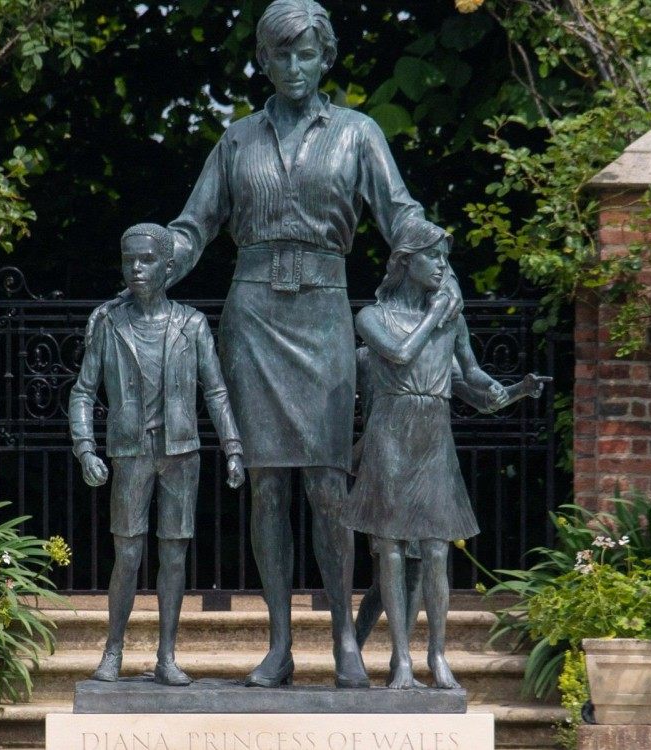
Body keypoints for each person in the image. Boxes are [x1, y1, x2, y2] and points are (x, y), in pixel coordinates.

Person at [153, 0, 462, 688]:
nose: (294, 66)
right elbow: (194, 225)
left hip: (323, 312)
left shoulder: (358, 134)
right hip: (254, 317)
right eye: (281, 54)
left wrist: (439, 255)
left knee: (327, 483)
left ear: (326, 59)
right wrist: (155, 261)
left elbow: (399, 212)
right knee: (266, 488)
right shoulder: (236, 142)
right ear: (262, 60)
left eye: (306, 53)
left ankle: (344, 642)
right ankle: (279, 643)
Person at [345, 221, 548, 689]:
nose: (441, 265)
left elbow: (473, 377)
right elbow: (397, 354)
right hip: (390, 433)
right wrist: (436, 316)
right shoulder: (372, 317)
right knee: (392, 549)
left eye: (444, 258)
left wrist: (516, 390)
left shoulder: (449, 318)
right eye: (432, 256)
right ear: (405, 261)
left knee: (437, 548)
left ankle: (437, 655)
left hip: (433, 432)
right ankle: (401, 660)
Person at [70, 224, 245, 686]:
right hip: (130, 453)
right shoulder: (109, 324)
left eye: (146, 260)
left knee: (173, 556)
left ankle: (167, 655)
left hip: (181, 453)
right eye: (130, 260)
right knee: (127, 555)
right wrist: (85, 448)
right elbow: (83, 392)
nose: (136, 269)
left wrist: (233, 446)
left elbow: (217, 389)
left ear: (169, 267)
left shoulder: (191, 324)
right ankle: (114, 650)